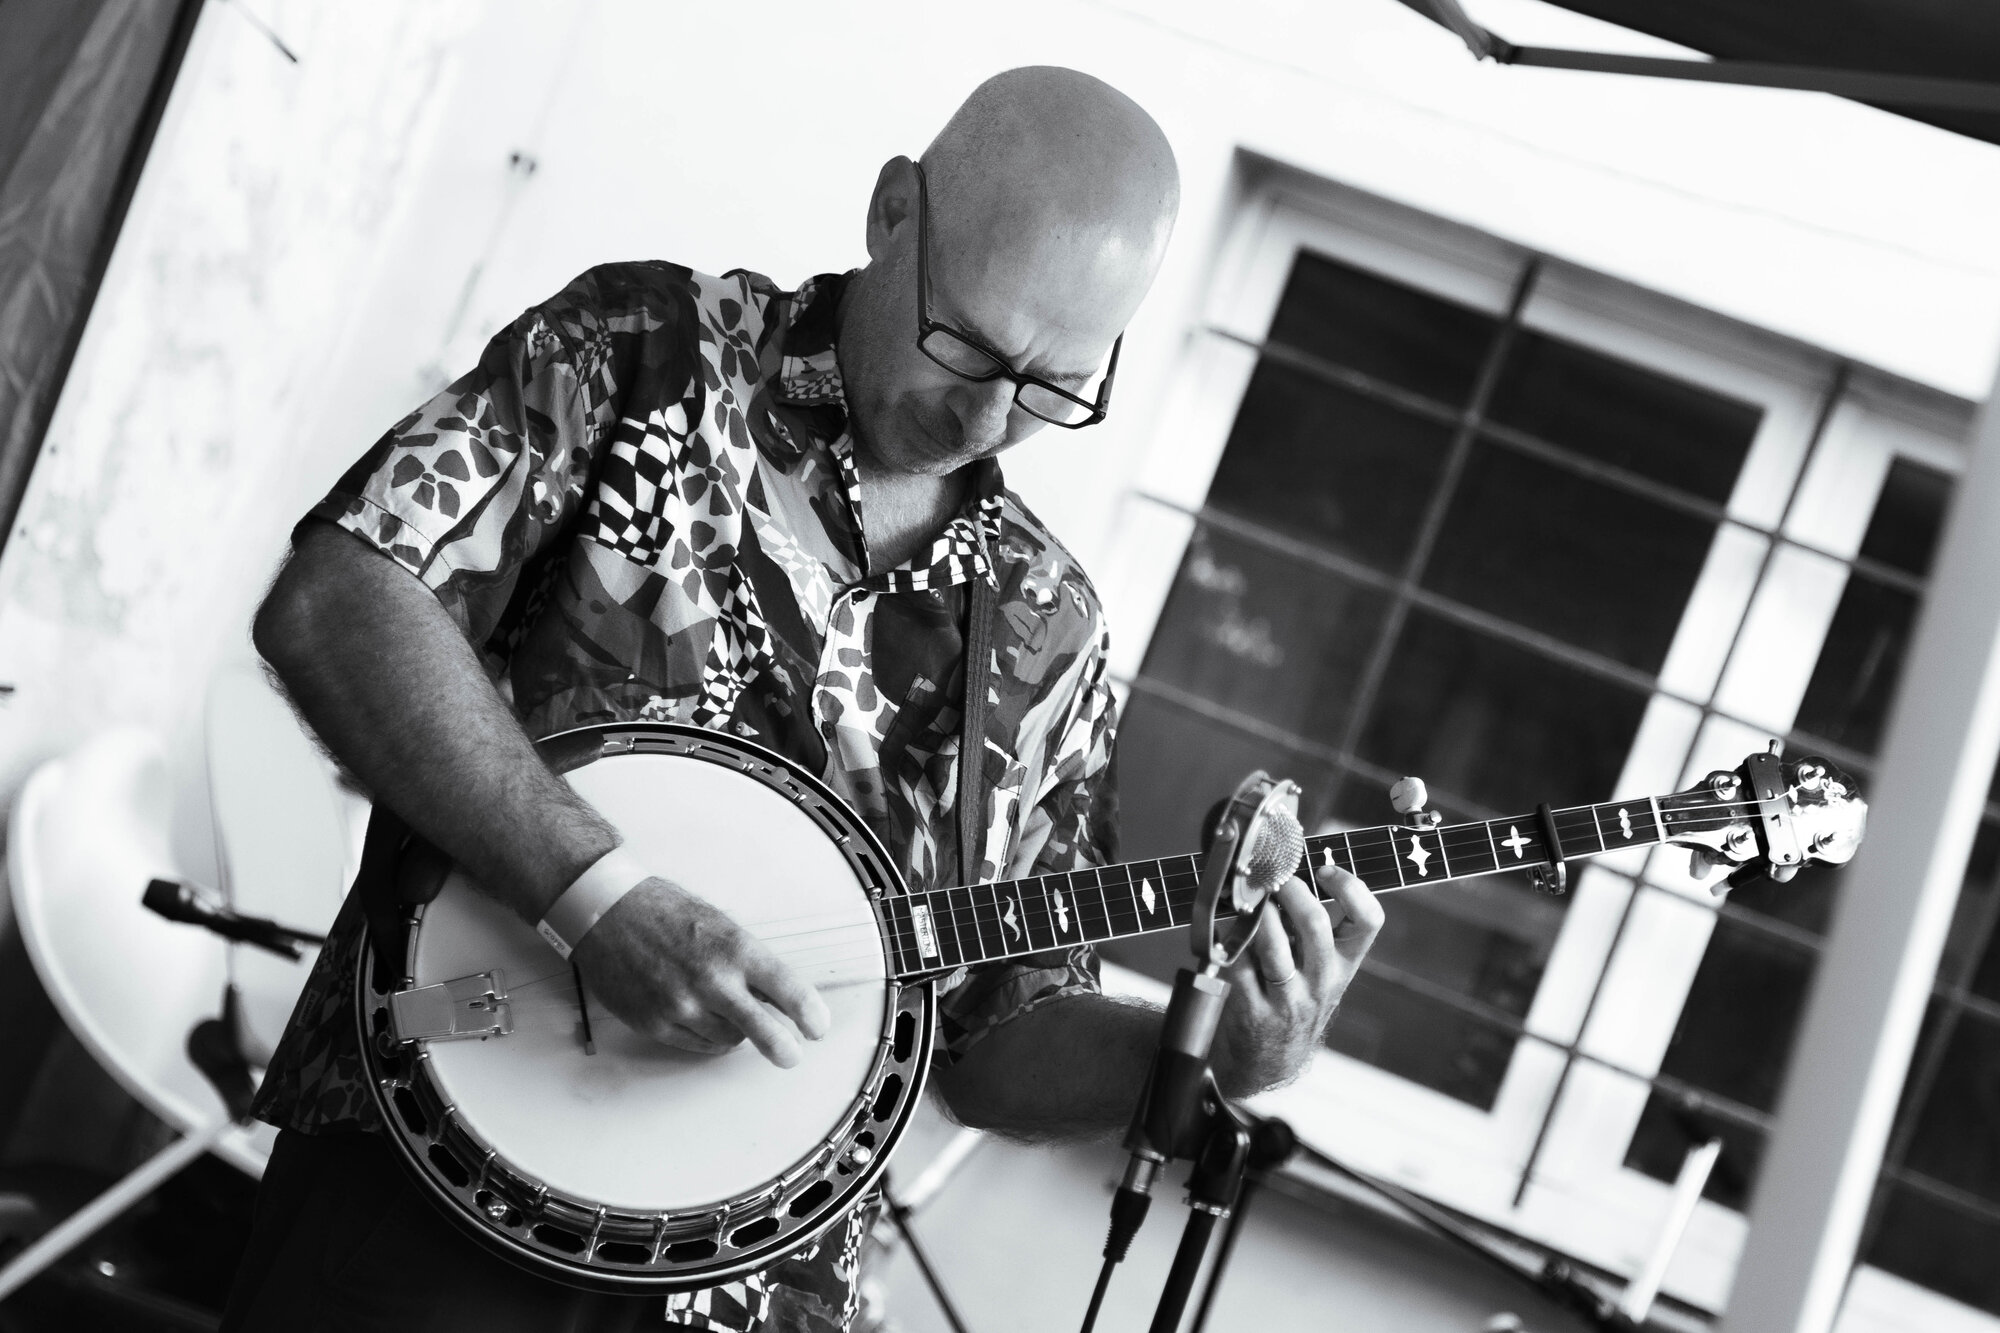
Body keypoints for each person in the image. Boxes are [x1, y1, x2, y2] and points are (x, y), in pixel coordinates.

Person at [222, 65, 1384, 1333]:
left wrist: (1220, 1054)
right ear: (892, 213)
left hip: (755, 1296)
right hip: (437, 1196)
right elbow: (341, 600)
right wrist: (591, 896)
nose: (985, 415)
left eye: (1054, 388)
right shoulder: (642, 350)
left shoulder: (1049, 623)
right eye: (968, 346)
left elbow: (998, 1038)